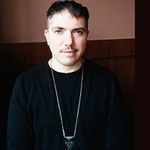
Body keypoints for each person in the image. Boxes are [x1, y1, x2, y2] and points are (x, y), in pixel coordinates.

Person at [7, 0, 130, 150]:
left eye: (78, 32)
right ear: (47, 36)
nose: (69, 42)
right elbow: (17, 145)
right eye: (59, 31)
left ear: (87, 36)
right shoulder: (25, 84)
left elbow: (117, 143)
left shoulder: (108, 82)